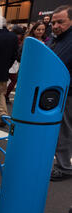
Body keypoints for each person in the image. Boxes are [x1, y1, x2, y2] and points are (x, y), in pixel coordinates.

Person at [47, 5, 72, 181]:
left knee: (64, 130)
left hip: (68, 92)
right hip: (58, 90)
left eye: (60, 22)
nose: (55, 25)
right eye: (53, 22)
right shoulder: (58, 39)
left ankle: (64, 168)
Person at [5, 25, 25, 104]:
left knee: (10, 80)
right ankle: (5, 95)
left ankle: (4, 95)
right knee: (13, 80)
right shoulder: (15, 40)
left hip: (11, 63)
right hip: (12, 64)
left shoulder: (11, 39)